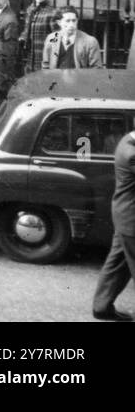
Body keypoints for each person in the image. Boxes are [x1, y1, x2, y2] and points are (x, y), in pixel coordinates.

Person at [91, 125, 135, 321]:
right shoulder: (131, 153)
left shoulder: (127, 140)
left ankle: (101, 307)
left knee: (117, 262)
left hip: (125, 215)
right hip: (132, 218)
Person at [18, 0, 60, 75]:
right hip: (30, 55)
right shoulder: (30, 10)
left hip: (44, 55)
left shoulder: (52, 12)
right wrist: (22, 38)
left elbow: (56, 37)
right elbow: (26, 29)